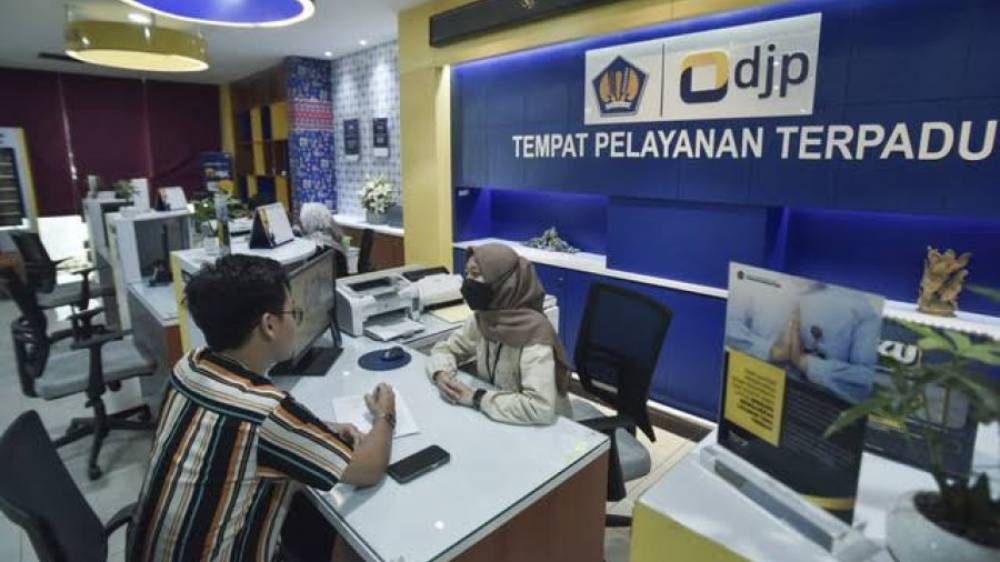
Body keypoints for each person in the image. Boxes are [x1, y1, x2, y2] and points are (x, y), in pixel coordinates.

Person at [127, 255, 395, 562]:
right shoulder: (264, 411)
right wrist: (385, 414)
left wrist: (320, 429)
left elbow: (239, 428)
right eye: (293, 312)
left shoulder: (189, 365)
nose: (296, 321)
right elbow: (370, 468)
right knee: (356, 535)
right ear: (269, 325)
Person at [428, 243, 573, 425]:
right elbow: (446, 349)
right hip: (500, 417)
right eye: (467, 274)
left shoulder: (534, 333)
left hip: (547, 429)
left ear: (503, 282)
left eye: (475, 274)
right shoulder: (484, 318)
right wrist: (441, 373)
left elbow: (539, 408)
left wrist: (476, 397)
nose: (468, 282)